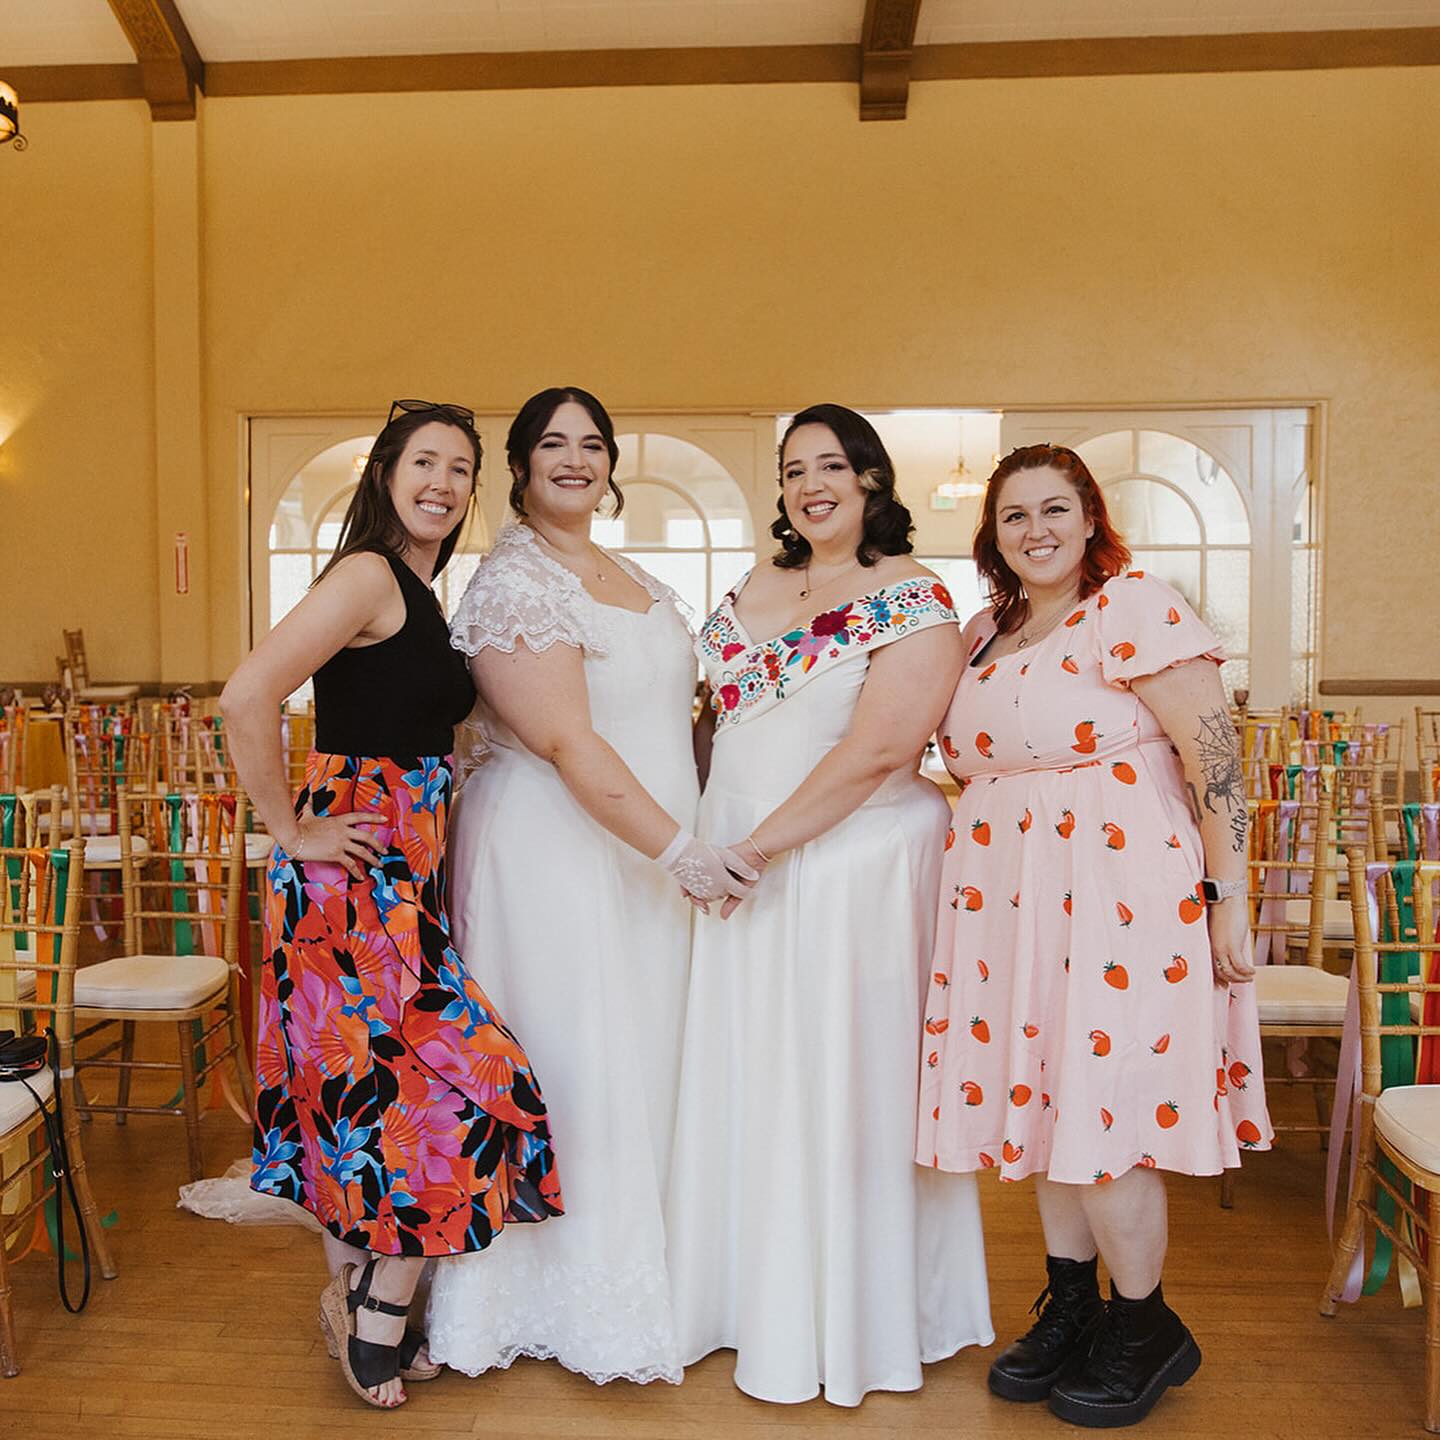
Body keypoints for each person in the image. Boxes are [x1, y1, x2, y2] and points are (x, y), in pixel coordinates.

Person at [915, 443, 1272, 1428]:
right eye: (1014, 515)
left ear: (1090, 517)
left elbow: (1216, 761)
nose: (1035, 530)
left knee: (1107, 1113)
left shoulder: (1136, 605)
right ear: (993, 533)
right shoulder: (985, 632)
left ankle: (1144, 1321)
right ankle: (1073, 1305)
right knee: (1046, 1107)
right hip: (1008, 905)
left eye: (1053, 509)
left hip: (1121, 893)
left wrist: (1231, 896)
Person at [220, 400, 562, 1411]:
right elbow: (246, 696)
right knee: (461, 1080)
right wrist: (291, 830)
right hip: (350, 867)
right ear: (383, 473)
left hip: (407, 864)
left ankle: (365, 1298)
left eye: (461, 469)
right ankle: (381, 1301)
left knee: (373, 1096)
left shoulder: (423, 589)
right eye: (425, 462)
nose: (444, 484)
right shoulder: (367, 575)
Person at [665, 403, 994, 1407]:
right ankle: (737, 1299)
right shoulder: (753, 585)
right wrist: (700, 840)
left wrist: (756, 849)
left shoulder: (912, 595)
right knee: (749, 1074)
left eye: (832, 466)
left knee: (840, 1081)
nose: (812, 484)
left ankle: (854, 1317)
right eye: (794, 468)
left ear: (870, 481)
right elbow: (714, 727)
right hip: (736, 868)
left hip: (844, 871)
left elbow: (882, 751)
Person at [425, 387, 753, 1384]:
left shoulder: (629, 573)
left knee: (643, 1046)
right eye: (552, 445)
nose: (575, 459)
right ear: (520, 468)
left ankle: (661, 1266)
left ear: (611, 465)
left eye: (593, 444)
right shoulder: (513, 583)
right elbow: (566, 740)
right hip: (557, 854)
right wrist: (681, 852)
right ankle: (546, 1293)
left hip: (643, 849)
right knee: (573, 1057)